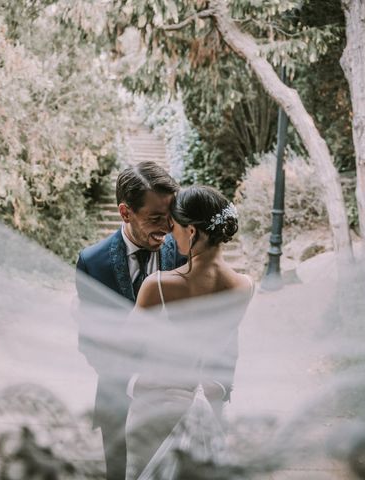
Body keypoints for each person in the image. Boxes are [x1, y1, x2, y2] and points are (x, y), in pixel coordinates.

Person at [124, 185, 254, 480]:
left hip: (157, 405)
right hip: (206, 405)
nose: (170, 233)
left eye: (175, 226)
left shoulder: (158, 285)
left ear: (192, 231)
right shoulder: (245, 285)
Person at [75, 161, 186, 480]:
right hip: (118, 402)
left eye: (171, 216)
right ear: (125, 213)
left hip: (174, 402)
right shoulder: (93, 263)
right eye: (155, 218)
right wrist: (135, 380)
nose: (167, 227)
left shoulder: (182, 252)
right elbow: (90, 340)